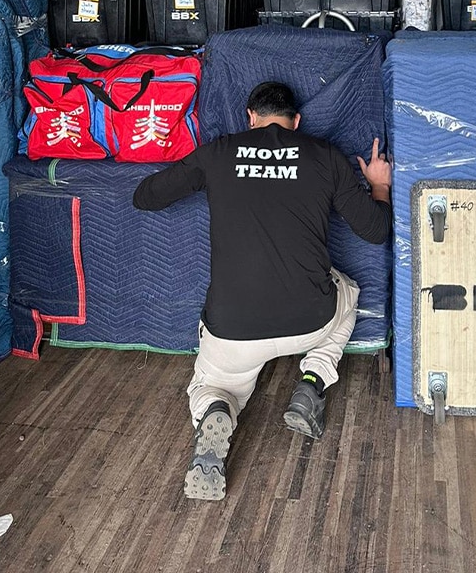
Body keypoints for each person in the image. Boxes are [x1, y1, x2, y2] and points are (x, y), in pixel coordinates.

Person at [133, 81, 392, 501]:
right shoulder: (325, 156)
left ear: (250, 118)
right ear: (297, 122)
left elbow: (145, 197)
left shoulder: (220, 151)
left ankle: (217, 409)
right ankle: (311, 380)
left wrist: (205, 171)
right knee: (350, 291)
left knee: (210, 388)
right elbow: (376, 230)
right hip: (309, 320)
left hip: (233, 330)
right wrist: (379, 184)